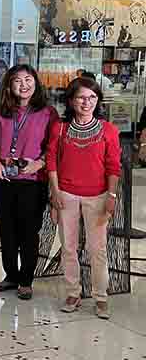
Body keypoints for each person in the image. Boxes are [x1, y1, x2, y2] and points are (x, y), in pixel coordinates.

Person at [46, 77, 120, 319]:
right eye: (81, 97)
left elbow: (113, 166)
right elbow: (51, 162)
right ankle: (72, 292)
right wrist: (54, 193)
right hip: (66, 194)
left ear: (98, 100)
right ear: (71, 100)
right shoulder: (60, 128)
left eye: (92, 97)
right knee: (68, 247)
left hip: (98, 196)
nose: (87, 102)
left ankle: (100, 296)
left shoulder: (108, 130)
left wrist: (111, 195)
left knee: (97, 249)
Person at [0, 65, 58, 300]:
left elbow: (55, 147)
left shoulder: (48, 113)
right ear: (9, 85)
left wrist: (39, 163)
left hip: (32, 182)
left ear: (36, 83)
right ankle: (11, 275)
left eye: (28, 79)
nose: (24, 85)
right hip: (4, 181)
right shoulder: (1, 113)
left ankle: (26, 280)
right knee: (7, 231)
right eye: (17, 80)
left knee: (28, 232)